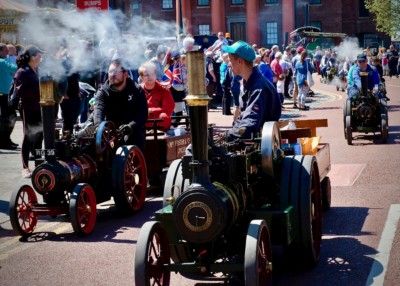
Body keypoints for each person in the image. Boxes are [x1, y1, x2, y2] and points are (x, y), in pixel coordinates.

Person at [221, 40, 281, 141]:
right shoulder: (248, 83)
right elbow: (243, 118)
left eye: (230, 60)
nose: (229, 64)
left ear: (240, 61)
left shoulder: (258, 88)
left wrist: (227, 136)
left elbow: (248, 126)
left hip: (259, 146)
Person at [94, 59, 148, 150]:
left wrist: (130, 126)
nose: (112, 75)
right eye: (110, 72)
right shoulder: (103, 92)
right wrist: (98, 127)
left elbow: (142, 115)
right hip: (110, 131)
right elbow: (99, 110)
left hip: (132, 131)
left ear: (125, 74)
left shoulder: (136, 90)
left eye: (116, 72)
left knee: (137, 135)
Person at [14, 45, 44, 178]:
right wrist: (38, 89)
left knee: (39, 136)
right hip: (28, 107)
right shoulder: (22, 72)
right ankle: (25, 167)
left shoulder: (37, 70)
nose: (40, 57)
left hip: (39, 107)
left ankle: (38, 165)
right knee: (28, 137)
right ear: (32, 57)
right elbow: (20, 92)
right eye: (38, 54)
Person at [138, 62, 175, 131]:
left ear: (155, 74)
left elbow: (168, 109)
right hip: (142, 125)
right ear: (141, 77)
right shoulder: (137, 90)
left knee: (164, 116)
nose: (150, 77)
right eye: (147, 75)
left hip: (160, 125)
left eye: (152, 74)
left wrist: (151, 110)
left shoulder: (164, 90)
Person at [0, 43, 18, 150]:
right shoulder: (1, 62)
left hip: (4, 93)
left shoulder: (3, 61)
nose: (8, 53)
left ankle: (6, 139)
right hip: (3, 94)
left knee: (8, 117)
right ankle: (3, 140)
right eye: (5, 50)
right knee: (7, 117)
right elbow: (14, 69)